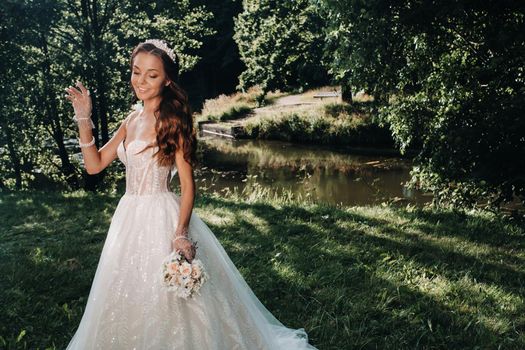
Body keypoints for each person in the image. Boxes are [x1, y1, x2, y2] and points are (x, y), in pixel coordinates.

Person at [64, 39, 318, 350]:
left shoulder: (173, 121)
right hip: (128, 215)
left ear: (167, 79)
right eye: (136, 72)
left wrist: (181, 232)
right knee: (127, 288)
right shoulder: (130, 121)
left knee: (172, 297)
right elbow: (94, 166)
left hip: (161, 212)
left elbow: (187, 184)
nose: (140, 81)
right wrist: (83, 119)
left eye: (151, 75)